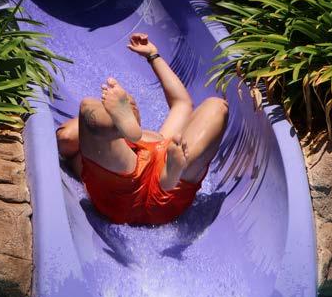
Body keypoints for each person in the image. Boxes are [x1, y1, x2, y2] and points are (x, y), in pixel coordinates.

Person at [55, 32, 229, 225]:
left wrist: (152, 55)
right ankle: (176, 171)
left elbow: (65, 137)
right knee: (218, 107)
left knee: (88, 107)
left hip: (129, 186)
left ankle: (172, 170)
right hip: (160, 194)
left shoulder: (162, 142)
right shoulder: (162, 141)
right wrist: (153, 57)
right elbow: (182, 103)